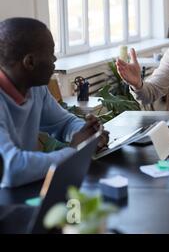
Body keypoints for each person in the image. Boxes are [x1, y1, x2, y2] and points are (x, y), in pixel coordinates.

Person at [0, 18, 109, 188]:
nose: (55, 59)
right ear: (30, 62)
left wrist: (88, 133)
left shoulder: (35, 89)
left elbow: (63, 122)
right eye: (51, 53)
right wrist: (73, 152)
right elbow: (12, 168)